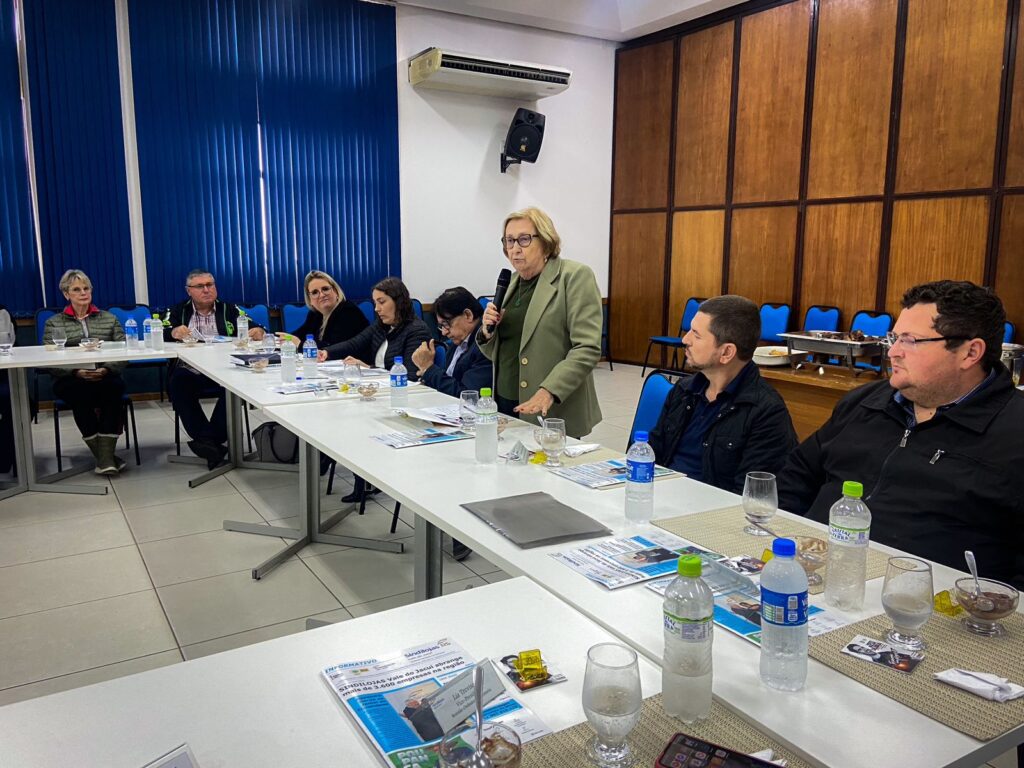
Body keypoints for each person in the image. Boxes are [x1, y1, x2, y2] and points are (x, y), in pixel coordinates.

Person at [778, 280, 1024, 587]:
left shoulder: (1014, 434)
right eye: (894, 338)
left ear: (970, 352)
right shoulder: (865, 403)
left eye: (910, 341)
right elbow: (797, 476)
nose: (893, 352)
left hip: (929, 606)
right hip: (813, 576)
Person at [647, 295, 797, 494]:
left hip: (708, 513)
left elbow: (751, 496)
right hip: (660, 497)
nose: (685, 340)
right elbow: (653, 453)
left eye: (696, 335)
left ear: (727, 352)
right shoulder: (684, 391)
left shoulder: (765, 412)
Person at [478, 207, 603, 439]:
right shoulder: (512, 282)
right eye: (509, 240)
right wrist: (487, 332)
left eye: (524, 239)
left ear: (546, 242)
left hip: (552, 405)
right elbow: (505, 347)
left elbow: (587, 348)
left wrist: (549, 390)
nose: (515, 248)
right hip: (506, 402)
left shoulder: (574, 277)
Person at [319, 276, 431, 503]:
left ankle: (362, 478)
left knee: (353, 419)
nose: (377, 309)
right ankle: (335, 460)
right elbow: (354, 343)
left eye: (382, 302)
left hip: (402, 399)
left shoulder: (416, 330)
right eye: (375, 303)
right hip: (377, 392)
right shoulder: (382, 327)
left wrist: (368, 367)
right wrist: (327, 353)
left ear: (398, 301)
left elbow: (409, 376)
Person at [165, 269, 266, 469]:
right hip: (191, 369)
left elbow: (258, 328)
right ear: (189, 291)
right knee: (178, 382)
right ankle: (209, 441)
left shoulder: (230, 309)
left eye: (210, 285)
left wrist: (258, 331)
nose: (206, 290)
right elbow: (159, 330)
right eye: (200, 286)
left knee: (236, 386)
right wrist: (174, 332)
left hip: (224, 367)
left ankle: (208, 442)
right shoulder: (178, 310)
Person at [42, 270, 127, 475]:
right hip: (70, 378)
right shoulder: (54, 322)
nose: (83, 293)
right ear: (66, 294)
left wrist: (106, 369)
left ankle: (104, 457)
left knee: (114, 391)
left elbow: (125, 350)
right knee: (80, 395)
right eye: (76, 289)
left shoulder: (109, 318)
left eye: (86, 288)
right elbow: (49, 359)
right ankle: (106, 457)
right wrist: (76, 372)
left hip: (105, 375)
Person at [411, 286, 492, 397]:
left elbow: (467, 396)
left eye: (446, 324)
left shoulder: (484, 345)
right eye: (441, 326)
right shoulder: (457, 342)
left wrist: (428, 369)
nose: (444, 332)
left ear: (468, 315)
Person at [277, 269, 368, 347]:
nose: (321, 295)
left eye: (325, 289)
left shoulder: (348, 311)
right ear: (310, 300)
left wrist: (299, 344)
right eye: (315, 292)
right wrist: (273, 337)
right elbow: (299, 335)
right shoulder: (315, 314)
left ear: (336, 292)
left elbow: (334, 347)